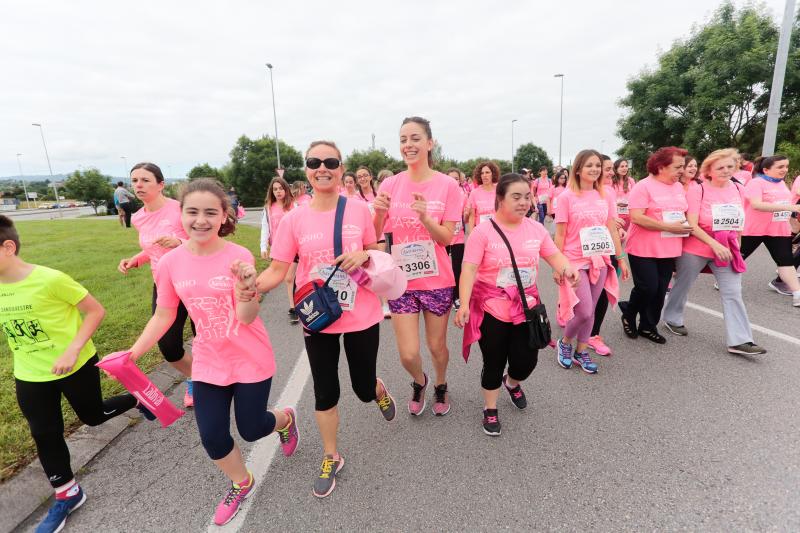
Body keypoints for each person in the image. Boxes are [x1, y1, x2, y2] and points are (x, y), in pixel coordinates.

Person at [126, 178, 299, 525]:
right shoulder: (170, 262)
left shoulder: (238, 257)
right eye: (192, 212)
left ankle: (285, 419)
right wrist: (133, 354)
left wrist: (247, 288)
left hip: (250, 357)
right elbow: (164, 314)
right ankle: (241, 481)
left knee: (251, 429)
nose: (200, 220)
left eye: (210, 212)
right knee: (212, 435)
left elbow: (246, 317)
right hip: (209, 360)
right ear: (181, 215)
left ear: (224, 216)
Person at [253, 141, 395, 498]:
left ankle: (376, 389)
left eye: (330, 161)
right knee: (325, 389)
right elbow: (277, 269)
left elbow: (378, 250)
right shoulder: (293, 219)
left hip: (360, 313)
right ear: (306, 169)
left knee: (361, 389)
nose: (322, 167)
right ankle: (331, 455)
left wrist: (363, 253)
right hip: (317, 316)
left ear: (340, 166)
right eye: (314, 161)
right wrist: (250, 287)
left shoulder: (359, 210)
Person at [0, 215, 140, 533]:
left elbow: (95, 310)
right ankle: (67, 493)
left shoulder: (50, 279)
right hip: (30, 373)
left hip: (76, 364)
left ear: (8, 247)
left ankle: (137, 400)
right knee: (44, 432)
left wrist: (73, 349)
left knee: (93, 415)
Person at [456, 173, 577, 435]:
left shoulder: (536, 228)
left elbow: (553, 255)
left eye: (527, 196)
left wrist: (568, 268)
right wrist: (464, 303)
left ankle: (512, 383)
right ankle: (490, 409)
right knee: (493, 360)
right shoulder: (482, 231)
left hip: (526, 308)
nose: (524, 202)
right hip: (491, 308)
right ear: (500, 198)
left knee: (527, 361)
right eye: (516, 197)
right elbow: (468, 270)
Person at [373, 116, 462, 416]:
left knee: (437, 347)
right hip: (401, 282)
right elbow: (375, 235)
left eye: (414, 138)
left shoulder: (448, 186)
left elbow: (448, 237)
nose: (408, 145)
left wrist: (426, 219)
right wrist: (377, 213)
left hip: (437, 280)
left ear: (429, 142)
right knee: (408, 353)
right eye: (403, 140)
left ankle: (440, 382)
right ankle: (419, 380)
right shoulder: (390, 183)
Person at [661, 149, 766, 354]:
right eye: (720, 167)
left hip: (726, 249)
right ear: (708, 170)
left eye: (730, 166)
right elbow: (692, 224)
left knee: (733, 292)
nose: (726, 171)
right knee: (682, 285)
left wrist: (738, 249)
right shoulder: (697, 190)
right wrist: (714, 244)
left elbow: (738, 223)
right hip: (696, 247)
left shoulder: (738, 189)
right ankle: (672, 317)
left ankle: (740, 340)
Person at [118, 162, 195, 407]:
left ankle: (210, 381)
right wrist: (136, 259)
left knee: (204, 339)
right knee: (168, 346)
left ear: (161, 184)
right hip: (163, 284)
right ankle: (194, 376)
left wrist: (180, 242)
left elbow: (204, 239)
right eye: (134, 181)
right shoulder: (139, 217)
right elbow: (151, 248)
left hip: (193, 280)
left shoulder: (179, 209)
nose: (138, 185)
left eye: (145, 180)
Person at [554, 150, 628, 373]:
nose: (595, 169)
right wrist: (558, 265)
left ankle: (582, 350)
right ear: (578, 169)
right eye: (589, 166)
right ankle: (565, 343)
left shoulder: (606, 195)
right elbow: (560, 234)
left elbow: (612, 229)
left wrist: (620, 259)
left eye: (598, 165)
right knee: (584, 311)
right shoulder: (566, 197)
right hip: (573, 260)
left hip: (600, 259)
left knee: (592, 309)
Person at [621, 147, 691, 343]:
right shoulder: (643, 187)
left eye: (682, 167)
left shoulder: (678, 187)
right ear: (661, 167)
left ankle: (647, 326)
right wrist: (666, 226)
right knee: (647, 288)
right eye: (678, 167)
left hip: (669, 248)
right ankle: (628, 313)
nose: (681, 171)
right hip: (643, 248)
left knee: (660, 291)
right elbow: (636, 217)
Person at [740, 155, 800, 307]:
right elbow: (756, 205)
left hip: (778, 229)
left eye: (786, 166)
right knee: (739, 257)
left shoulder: (781, 184)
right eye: (780, 167)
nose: (785, 170)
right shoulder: (756, 183)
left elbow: (783, 203)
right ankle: (724, 281)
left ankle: (797, 293)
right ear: (766, 170)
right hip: (754, 229)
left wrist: (789, 220)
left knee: (785, 261)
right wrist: (789, 208)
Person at [587, 155, 625, 356]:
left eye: (612, 169)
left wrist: (619, 232)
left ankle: (593, 333)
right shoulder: (577, 192)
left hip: (606, 249)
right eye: (608, 168)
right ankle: (570, 314)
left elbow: (612, 222)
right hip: (583, 253)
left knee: (602, 292)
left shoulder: (609, 192)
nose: (611, 172)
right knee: (583, 294)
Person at [262, 177, 299, 323]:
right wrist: (263, 246)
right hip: (278, 249)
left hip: (294, 247)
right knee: (288, 279)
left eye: (280, 188)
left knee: (289, 278)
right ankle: (297, 304)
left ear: (286, 189)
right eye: (275, 189)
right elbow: (265, 228)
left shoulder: (294, 206)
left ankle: (293, 308)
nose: (278, 191)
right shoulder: (268, 208)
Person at [446, 168, 469, 308]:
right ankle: (444, 295)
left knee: (456, 268)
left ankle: (456, 296)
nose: (453, 180)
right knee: (442, 267)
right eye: (451, 178)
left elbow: (466, 218)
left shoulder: (464, 195)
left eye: (456, 178)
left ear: (460, 180)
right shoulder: (441, 194)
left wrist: (467, 214)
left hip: (458, 236)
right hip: (443, 236)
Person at [466, 161, 499, 233]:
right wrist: (471, 235)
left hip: (497, 231)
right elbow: (472, 217)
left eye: (487, 172)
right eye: (482, 173)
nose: (484, 175)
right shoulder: (474, 193)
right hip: (481, 232)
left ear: (493, 174)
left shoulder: (499, 191)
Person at [612, 158, 636, 230]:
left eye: (626, 166)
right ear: (616, 168)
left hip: (629, 215)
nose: (625, 168)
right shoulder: (611, 182)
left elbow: (635, 197)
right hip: (616, 216)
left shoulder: (630, 180)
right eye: (622, 166)